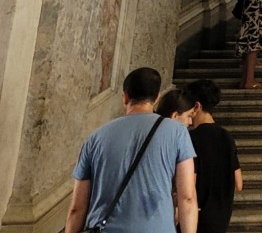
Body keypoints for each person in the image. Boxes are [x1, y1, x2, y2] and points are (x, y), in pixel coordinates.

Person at [64, 67, 197, 233]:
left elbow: (77, 207)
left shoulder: (95, 137)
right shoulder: (177, 132)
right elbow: (187, 198)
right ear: (156, 98)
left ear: (125, 97)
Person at [184, 79, 242, 233]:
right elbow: (239, 184)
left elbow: (188, 185)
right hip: (221, 217)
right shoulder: (226, 136)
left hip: (196, 215)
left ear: (197, 106)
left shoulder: (190, 139)